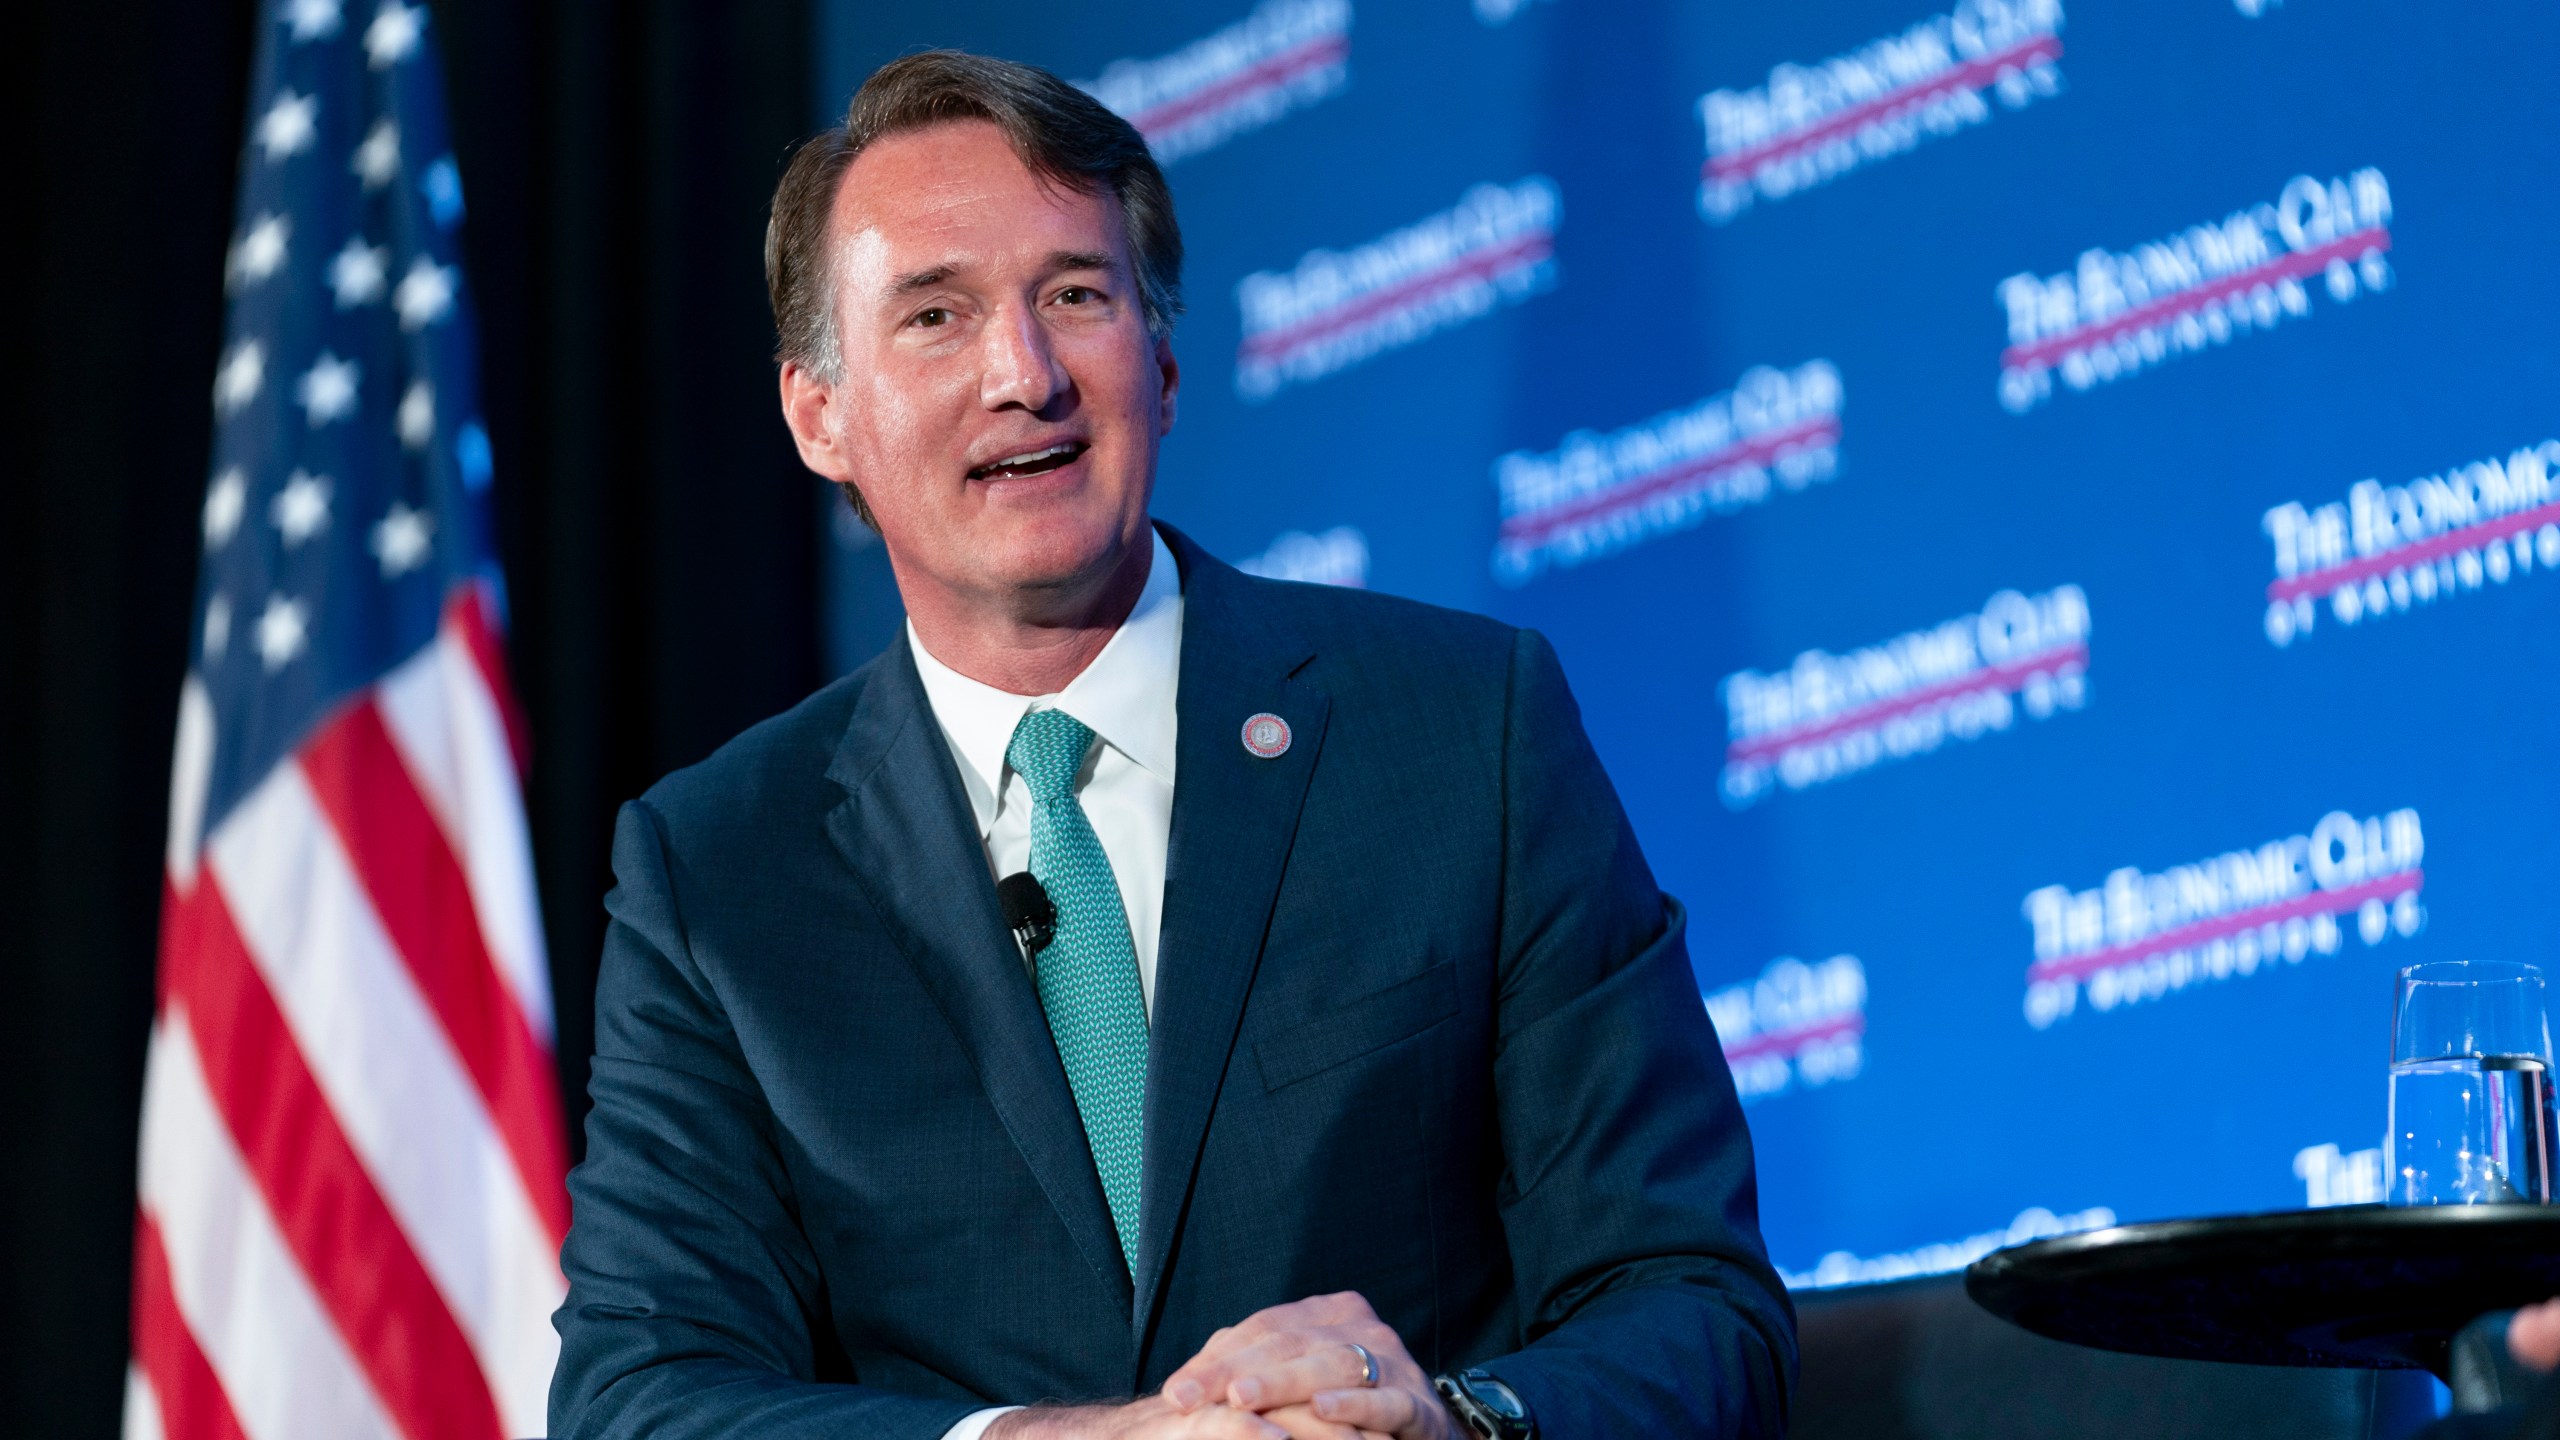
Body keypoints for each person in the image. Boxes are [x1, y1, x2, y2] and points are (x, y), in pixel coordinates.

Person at [548, 49, 1795, 1440]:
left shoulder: (1462, 728)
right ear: (820, 415)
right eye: (936, 317)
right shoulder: (719, 867)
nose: (1024, 374)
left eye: (1075, 296)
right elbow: (639, 1401)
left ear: (1164, 362)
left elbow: (1697, 1305)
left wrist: (1454, 1423)